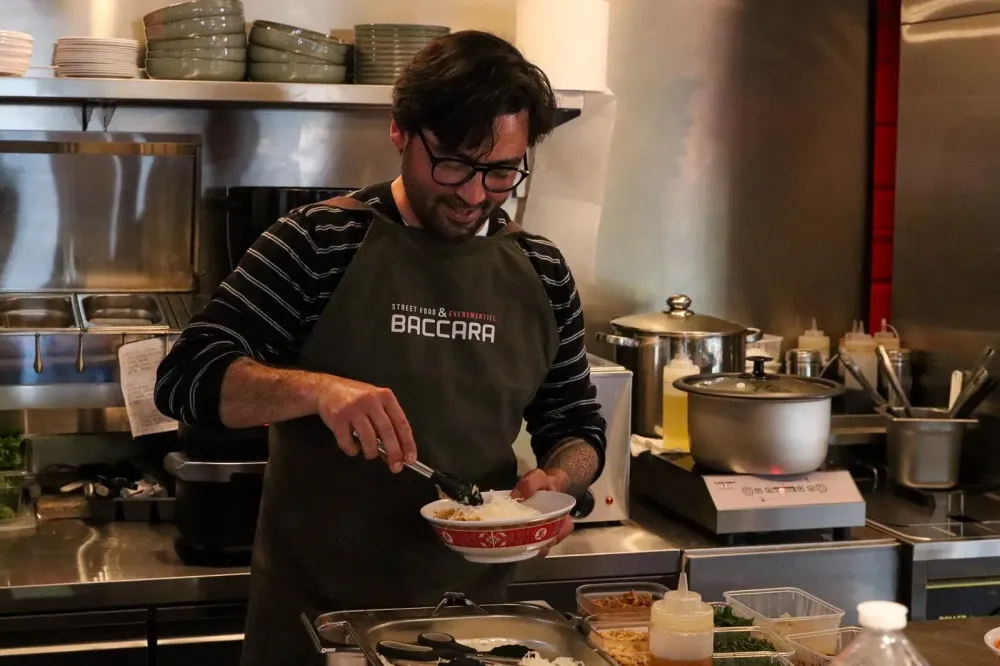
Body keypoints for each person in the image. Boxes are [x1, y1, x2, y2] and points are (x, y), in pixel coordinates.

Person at [154, 30, 607, 666]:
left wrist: (561, 481)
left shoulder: (541, 270)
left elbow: (576, 424)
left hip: (477, 632)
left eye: (501, 171)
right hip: (320, 630)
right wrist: (316, 390)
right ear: (400, 131)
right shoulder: (318, 242)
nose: (474, 195)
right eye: (451, 162)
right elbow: (184, 378)